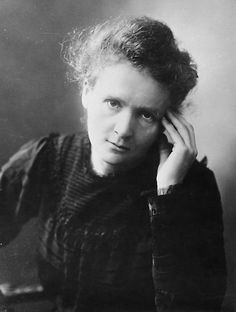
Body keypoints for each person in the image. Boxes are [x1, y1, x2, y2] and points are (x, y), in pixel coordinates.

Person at [0, 16, 226, 311]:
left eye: (146, 115)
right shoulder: (48, 158)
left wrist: (168, 194)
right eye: (113, 103)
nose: (123, 129)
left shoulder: (192, 188)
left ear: (168, 121)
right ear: (86, 92)